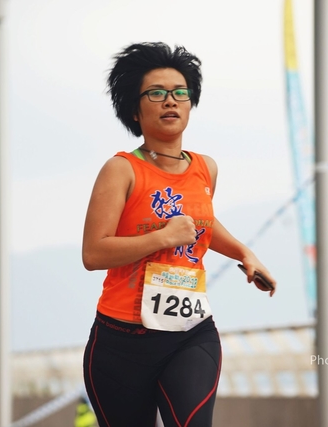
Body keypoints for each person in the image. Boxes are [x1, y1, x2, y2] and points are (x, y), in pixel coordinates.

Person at [81, 42, 277, 427]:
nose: (170, 100)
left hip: (190, 333)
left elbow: (201, 224)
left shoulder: (206, 168)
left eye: (179, 92)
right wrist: (162, 238)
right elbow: (94, 253)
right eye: (156, 93)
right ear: (135, 110)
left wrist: (244, 253)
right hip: (121, 341)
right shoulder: (121, 170)